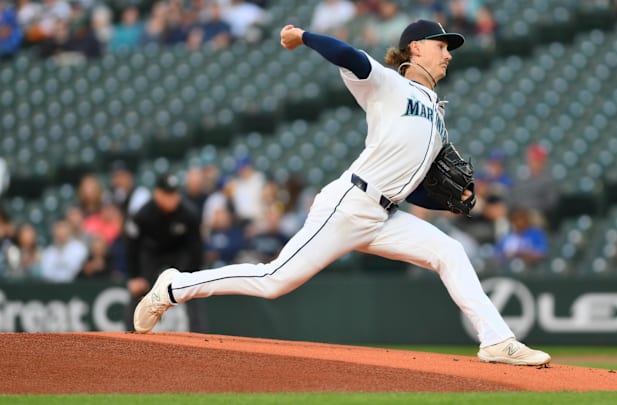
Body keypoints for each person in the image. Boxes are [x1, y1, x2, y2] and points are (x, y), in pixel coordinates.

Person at [133, 19, 551, 366]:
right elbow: (349, 56)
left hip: (386, 214)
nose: (448, 54)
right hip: (349, 205)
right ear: (416, 49)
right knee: (274, 280)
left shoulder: (438, 116)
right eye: (442, 45)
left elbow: (415, 185)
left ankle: (496, 340)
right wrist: (304, 36)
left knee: (450, 253)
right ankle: (174, 287)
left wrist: (446, 201)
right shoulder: (388, 84)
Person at [123, 174, 206, 332]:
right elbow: (131, 245)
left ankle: (200, 336)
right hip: (153, 254)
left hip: (179, 253)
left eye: (174, 194)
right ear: (157, 194)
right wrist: (134, 276)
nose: (172, 198)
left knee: (193, 288)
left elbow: (196, 249)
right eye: (167, 194)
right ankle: (131, 333)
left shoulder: (189, 213)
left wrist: (193, 274)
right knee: (139, 288)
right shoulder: (143, 214)